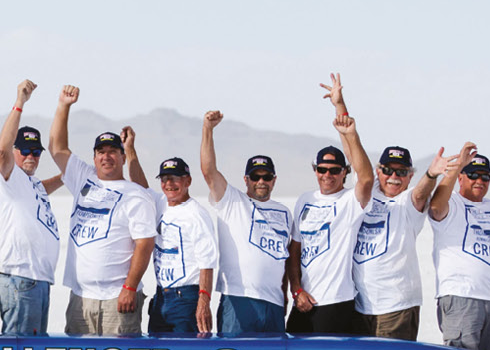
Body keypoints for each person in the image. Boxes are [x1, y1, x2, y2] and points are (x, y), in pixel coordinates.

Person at [50, 87, 156, 336]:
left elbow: (145, 243)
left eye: (112, 152)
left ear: (122, 157)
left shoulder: (134, 194)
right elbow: (57, 148)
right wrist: (64, 106)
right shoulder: (83, 178)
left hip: (117, 298)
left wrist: (130, 287)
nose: (106, 157)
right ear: (94, 157)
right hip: (81, 296)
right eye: (101, 152)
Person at [285, 75, 375, 335]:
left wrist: (343, 115)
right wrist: (296, 289)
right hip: (303, 302)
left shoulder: (350, 201)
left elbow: (366, 177)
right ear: (315, 170)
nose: (328, 175)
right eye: (322, 169)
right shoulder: (305, 200)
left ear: (344, 172)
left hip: (336, 302)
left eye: (335, 170)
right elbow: (295, 251)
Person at [0, 80, 66, 336]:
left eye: (36, 151)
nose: (31, 156)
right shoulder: (7, 175)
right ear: (14, 152)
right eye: (25, 150)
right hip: (20, 277)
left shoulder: (30, 184)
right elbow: (1, 150)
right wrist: (20, 102)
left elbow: (43, 186)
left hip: (38, 280)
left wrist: (69, 175)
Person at [198, 111, 290, 336]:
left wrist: (285, 293)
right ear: (246, 179)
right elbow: (208, 171)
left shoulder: (285, 212)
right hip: (239, 299)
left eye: (266, 177)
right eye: (255, 177)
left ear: (274, 180)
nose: (261, 182)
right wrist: (208, 129)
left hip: (274, 303)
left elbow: (286, 257)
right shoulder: (232, 201)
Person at [352, 141, 449, 341]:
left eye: (401, 172)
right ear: (378, 171)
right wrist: (346, 129)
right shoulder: (369, 191)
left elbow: (420, 194)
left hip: (396, 307)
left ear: (410, 176)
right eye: (388, 170)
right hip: (360, 305)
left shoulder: (407, 202)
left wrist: (431, 174)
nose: (394, 177)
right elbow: (354, 158)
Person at [428, 146, 490, 350]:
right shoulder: (453, 203)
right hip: (461, 296)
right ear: (460, 178)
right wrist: (456, 165)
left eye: (485, 177)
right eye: (473, 175)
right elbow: (436, 209)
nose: (479, 181)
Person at [149, 158, 217, 335]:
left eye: (175, 178)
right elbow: (140, 186)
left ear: (188, 181)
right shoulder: (160, 204)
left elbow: (207, 262)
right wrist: (131, 150)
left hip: (186, 299)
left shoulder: (196, 214)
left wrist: (204, 300)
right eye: (164, 179)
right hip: (161, 298)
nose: (169, 184)